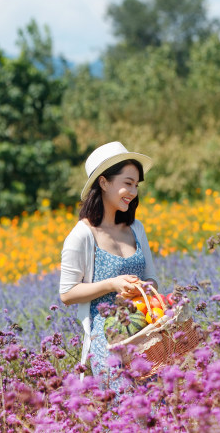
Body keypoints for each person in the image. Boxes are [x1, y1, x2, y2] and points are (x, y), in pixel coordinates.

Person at [59, 141, 158, 383]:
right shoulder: (82, 235)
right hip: (108, 341)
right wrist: (112, 285)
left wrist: (143, 289)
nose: (133, 192)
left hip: (145, 334)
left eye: (136, 185)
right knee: (123, 412)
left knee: (159, 411)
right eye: (127, 183)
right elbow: (67, 293)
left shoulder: (136, 228)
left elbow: (152, 277)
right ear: (103, 183)